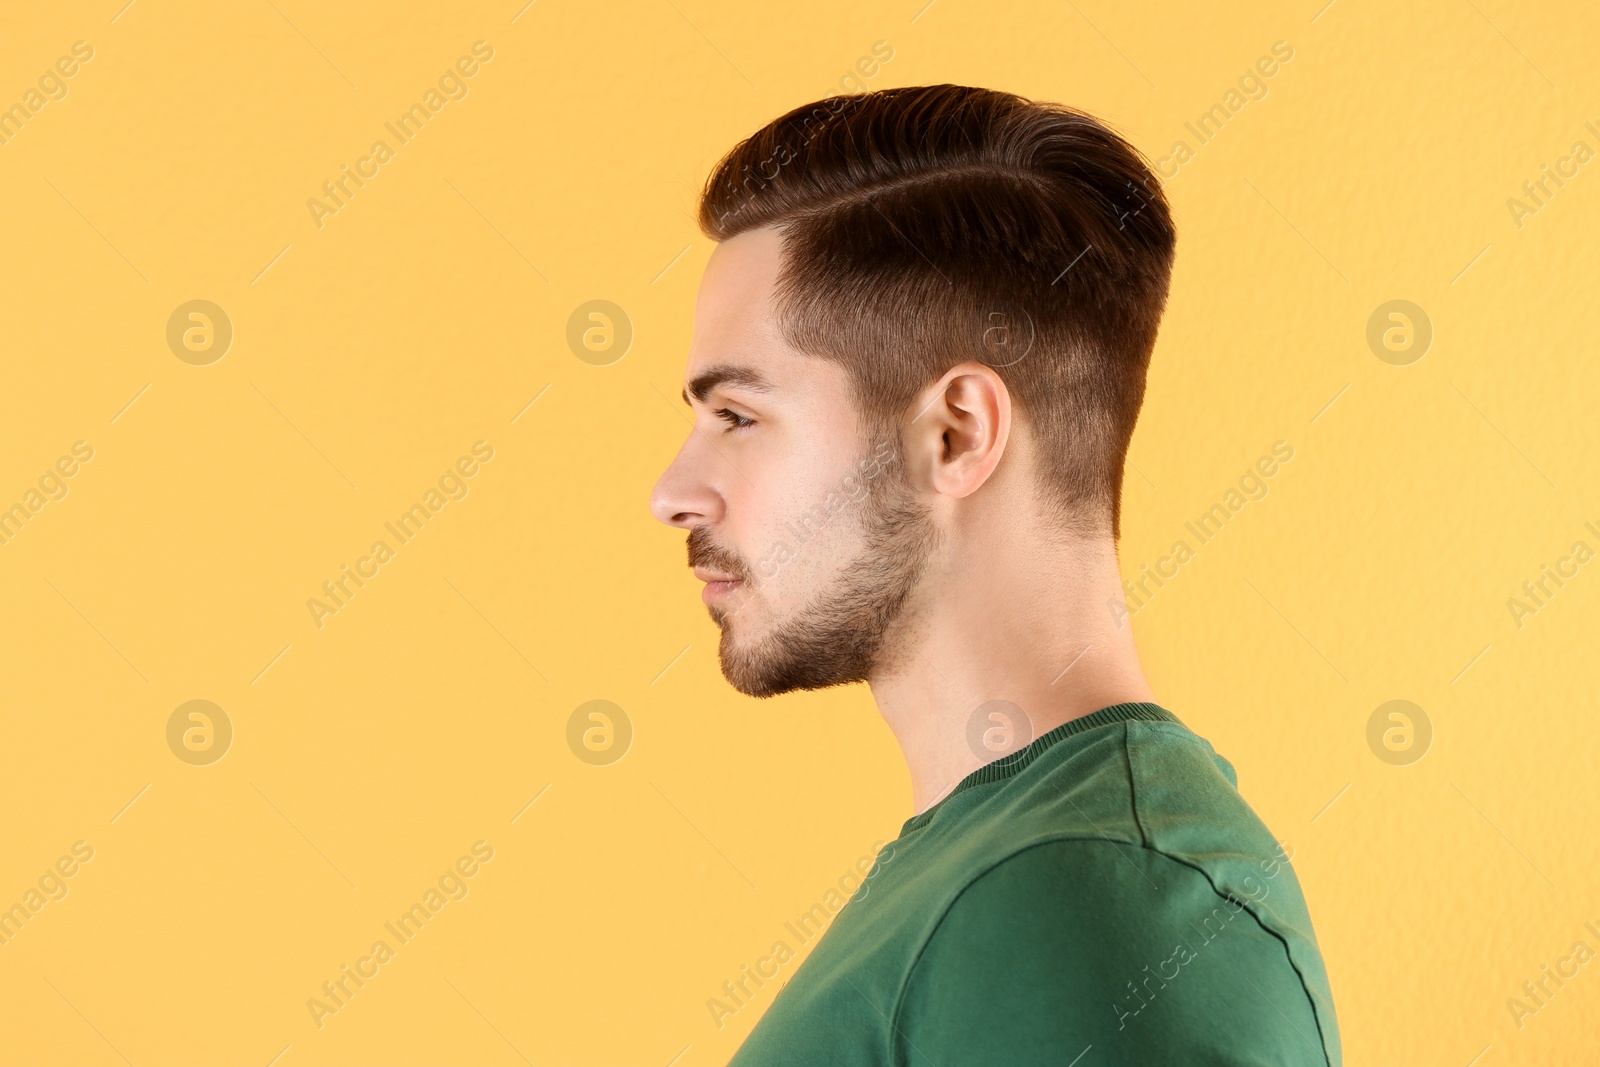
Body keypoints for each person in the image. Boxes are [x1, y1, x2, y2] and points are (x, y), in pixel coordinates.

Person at [649, 83, 1341, 1066]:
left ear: (954, 433)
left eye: (737, 417)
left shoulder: (1083, 901)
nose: (673, 492)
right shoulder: (1008, 867)